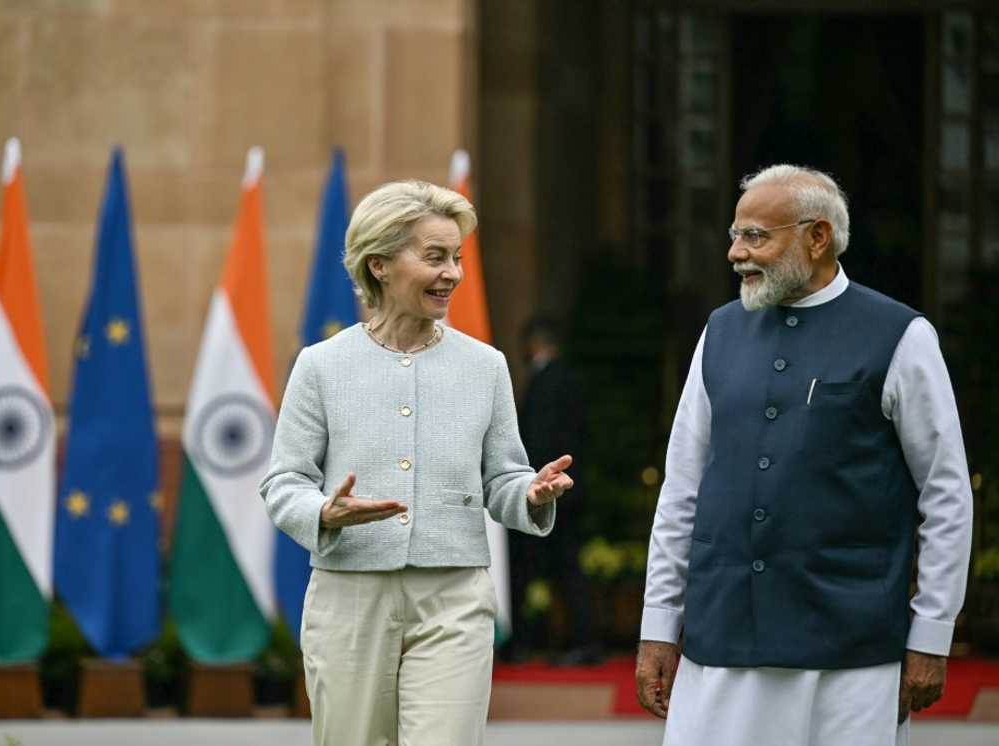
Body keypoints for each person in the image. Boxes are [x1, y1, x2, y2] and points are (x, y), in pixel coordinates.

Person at [635, 164, 973, 746]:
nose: (737, 253)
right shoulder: (718, 332)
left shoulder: (900, 334)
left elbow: (946, 494)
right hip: (721, 641)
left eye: (756, 236)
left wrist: (931, 634)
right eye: (734, 235)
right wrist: (660, 626)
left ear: (817, 237)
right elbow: (682, 489)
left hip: (850, 649)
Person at [260, 180, 574, 746]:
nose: (452, 273)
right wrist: (324, 512)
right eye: (434, 257)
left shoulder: (486, 366)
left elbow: (502, 475)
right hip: (348, 596)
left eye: (455, 257)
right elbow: (284, 482)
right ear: (378, 265)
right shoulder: (320, 366)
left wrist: (529, 493)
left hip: (454, 596)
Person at [507, 315, 601, 664]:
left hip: (551, 490)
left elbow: (540, 438)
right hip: (566, 490)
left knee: (558, 566)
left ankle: (570, 640)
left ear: (534, 345)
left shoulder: (548, 381)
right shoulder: (568, 377)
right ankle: (569, 639)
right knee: (564, 567)